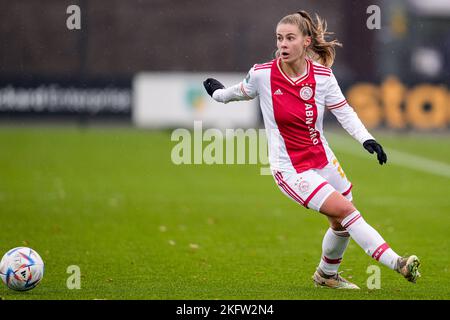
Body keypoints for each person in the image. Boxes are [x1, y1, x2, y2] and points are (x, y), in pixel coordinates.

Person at [203, 10, 421, 289]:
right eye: (279, 38)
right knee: (346, 210)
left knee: (341, 221)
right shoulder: (262, 75)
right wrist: (217, 94)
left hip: (323, 158)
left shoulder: (322, 76)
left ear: (306, 42)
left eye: (290, 38)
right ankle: (398, 262)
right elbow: (236, 92)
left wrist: (367, 139)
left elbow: (344, 112)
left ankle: (326, 276)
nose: (283, 44)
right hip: (291, 168)